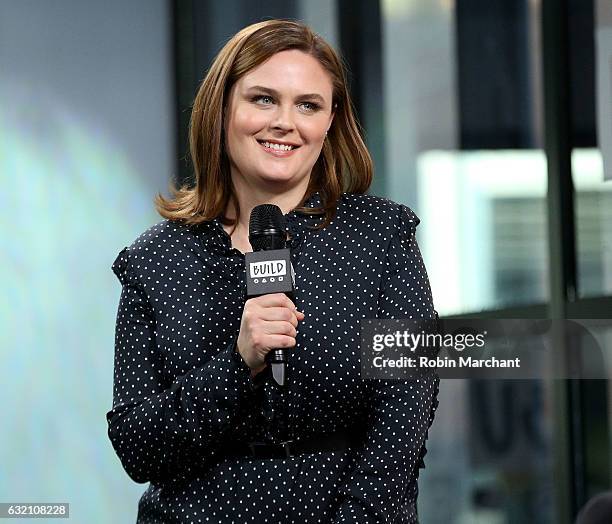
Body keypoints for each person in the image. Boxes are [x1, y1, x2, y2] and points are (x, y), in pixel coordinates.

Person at [106, 18, 439, 524]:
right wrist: (239, 363)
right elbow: (138, 448)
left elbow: (405, 411)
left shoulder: (382, 236)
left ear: (330, 123)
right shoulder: (155, 259)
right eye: (263, 99)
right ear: (222, 111)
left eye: (308, 105)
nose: (285, 122)